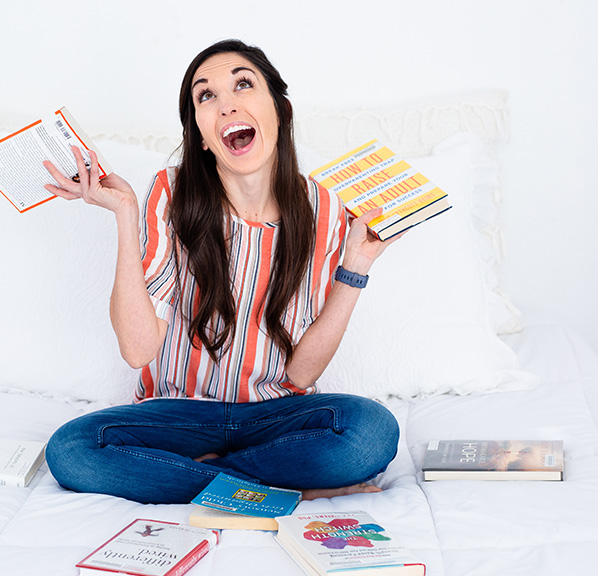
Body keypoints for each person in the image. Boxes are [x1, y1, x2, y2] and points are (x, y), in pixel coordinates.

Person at [43, 39, 401, 505]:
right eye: (206, 96)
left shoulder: (327, 208)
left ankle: (205, 481)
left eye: (243, 85)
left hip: (276, 417)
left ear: (280, 110)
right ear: (202, 133)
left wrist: (357, 266)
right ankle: (281, 488)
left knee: (372, 433)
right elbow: (137, 350)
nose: (226, 104)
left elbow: (302, 370)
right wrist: (125, 213)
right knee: (72, 450)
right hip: (178, 417)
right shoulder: (171, 193)